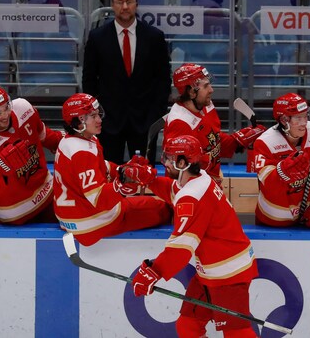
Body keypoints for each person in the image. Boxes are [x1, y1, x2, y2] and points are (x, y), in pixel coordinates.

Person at [126, 135, 258, 338]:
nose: (165, 162)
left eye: (170, 158)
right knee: (188, 326)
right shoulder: (200, 178)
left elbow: (180, 249)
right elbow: (174, 191)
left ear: (182, 163)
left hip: (229, 273)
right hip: (211, 271)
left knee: (237, 334)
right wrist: (150, 180)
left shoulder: (193, 196)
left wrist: (153, 272)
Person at [53, 93, 171, 246]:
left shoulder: (70, 140)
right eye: (93, 116)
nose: (99, 120)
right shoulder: (82, 151)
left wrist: (123, 170)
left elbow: (100, 167)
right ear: (79, 122)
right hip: (91, 223)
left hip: (71, 217)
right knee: (161, 209)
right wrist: (124, 184)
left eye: (98, 114)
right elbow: (100, 200)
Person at [82, 0, 171, 165]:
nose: (124, 7)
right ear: (112, 5)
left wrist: (156, 115)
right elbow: (89, 79)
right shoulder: (97, 37)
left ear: (136, 4)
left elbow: (163, 79)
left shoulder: (154, 37)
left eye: (129, 2)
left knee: (143, 177)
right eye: (120, 2)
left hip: (145, 122)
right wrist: (96, 114)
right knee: (108, 176)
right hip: (107, 122)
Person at [0, 84, 63, 225]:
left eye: (6, 108)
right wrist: (3, 170)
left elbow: (42, 133)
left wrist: (64, 142)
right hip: (14, 212)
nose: (5, 116)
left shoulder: (23, 108)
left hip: (46, 193)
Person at [165, 63, 266, 185]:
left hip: (210, 180)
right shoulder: (180, 122)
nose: (211, 90)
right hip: (192, 190)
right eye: (206, 86)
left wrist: (236, 141)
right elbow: (178, 168)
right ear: (191, 92)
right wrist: (208, 180)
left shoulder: (205, 105)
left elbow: (213, 138)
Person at [252, 93, 310, 227]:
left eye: (305, 116)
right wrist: (282, 172)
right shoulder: (265, 142)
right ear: (284, 120)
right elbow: (267, 184)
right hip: (272, 220)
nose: (304, 122)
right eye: (298, 118)